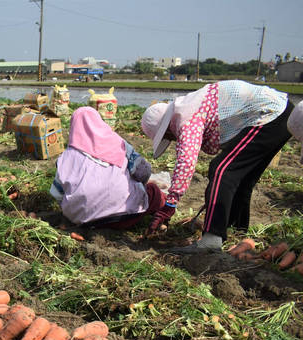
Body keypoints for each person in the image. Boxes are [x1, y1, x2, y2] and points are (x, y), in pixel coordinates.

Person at [141, 80, 294, 252]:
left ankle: (212, 239)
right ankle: (237, 230)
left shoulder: (185, 114)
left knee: (221, 169)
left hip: (270, 113)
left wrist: (170, 204)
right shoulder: (192, 105)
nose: (173, 139)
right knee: (241, 177)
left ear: (167, 127)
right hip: (282, 113)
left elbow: (186, 162)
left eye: (168, 136)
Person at [50, 107, 161, 227]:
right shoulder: (120, 145)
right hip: (125, 217)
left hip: (82, 219)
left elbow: (57, 194)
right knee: (154, 192)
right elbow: (143, 173)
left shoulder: (66, 157)